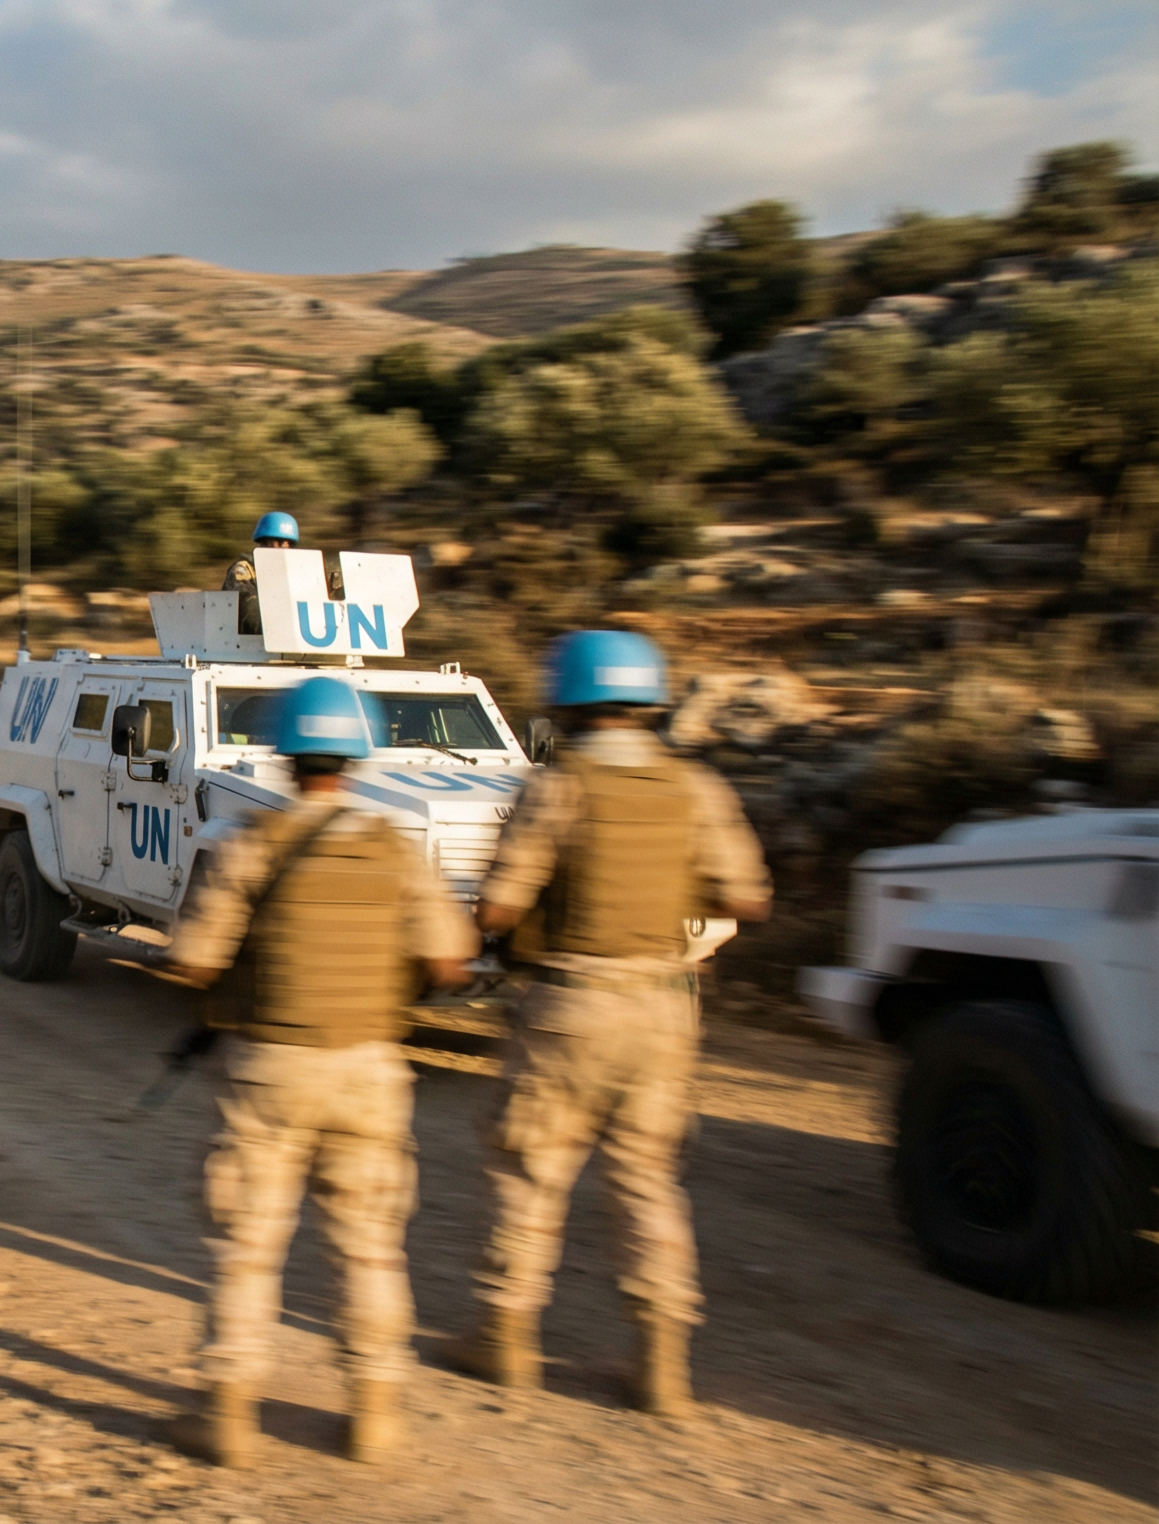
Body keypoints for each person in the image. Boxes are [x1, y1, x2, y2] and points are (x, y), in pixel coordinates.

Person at [164, 675, 475, 1465]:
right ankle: (375, 1415)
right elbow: (450, 957)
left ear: (285, 757)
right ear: (361, 756)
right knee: (370, 1246)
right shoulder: (396, 850)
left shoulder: (251, 845)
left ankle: (228, 1414)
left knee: (248, 1246)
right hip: (369, 1070)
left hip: (268, 1069)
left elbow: (195, 962)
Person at [458, 630, 771, 1417]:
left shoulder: (557, 789)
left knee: (532, 1168)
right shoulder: (697, 789)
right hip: (665, 1005)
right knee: (646, 1178)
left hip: (571, 1001)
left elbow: (500, 906)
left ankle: (506, 1335)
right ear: (650, 699)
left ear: (567, 702)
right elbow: (747, 898)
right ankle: (662, 1360)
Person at [224, 511, 298, 634]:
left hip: (289, 641)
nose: (284, 547)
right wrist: (279, 629)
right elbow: (248, 607)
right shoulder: (243, 570)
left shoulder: (293, 571)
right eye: (279, 542)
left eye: (289, 544)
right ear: (264, 542)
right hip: (243, 642)